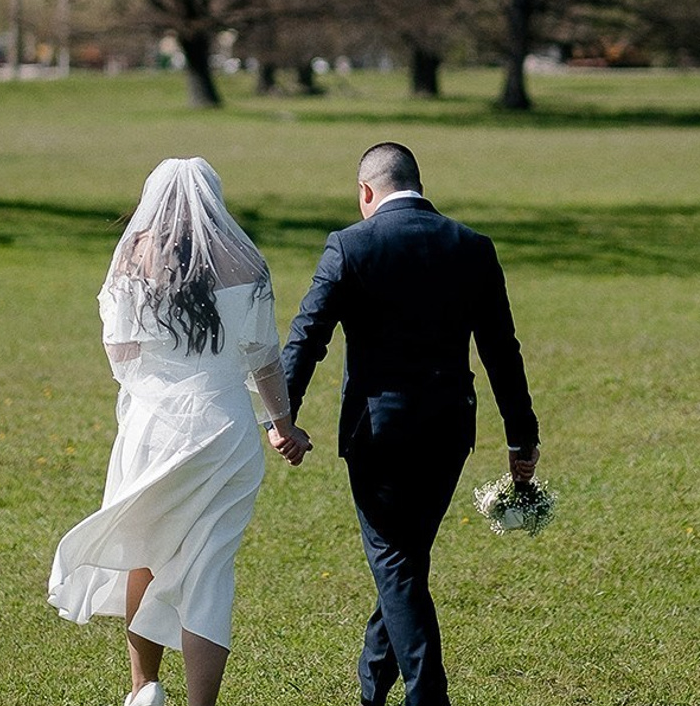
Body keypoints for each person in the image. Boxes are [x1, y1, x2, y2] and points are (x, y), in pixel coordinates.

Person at [282, 141, 541, 706]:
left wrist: (283, 416)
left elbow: (308, 335)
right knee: (405, 560)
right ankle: (372, 685)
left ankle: (428, 697)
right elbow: (502, 349)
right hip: (450, 433)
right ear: (419, 184)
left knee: (396, 563)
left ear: (365, 192)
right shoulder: (472, 247)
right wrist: (522, 437)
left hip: (378, 436)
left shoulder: (350, 246)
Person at [49, 157, 311, 706]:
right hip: (226, 428)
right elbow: (264, 359)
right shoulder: (246, 261)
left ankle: (144, 688)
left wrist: (157, 382)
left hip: (153, 426)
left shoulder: (132, 259)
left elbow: (120, 354)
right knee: (210, 572)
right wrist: (282, 424)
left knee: (144, 552)